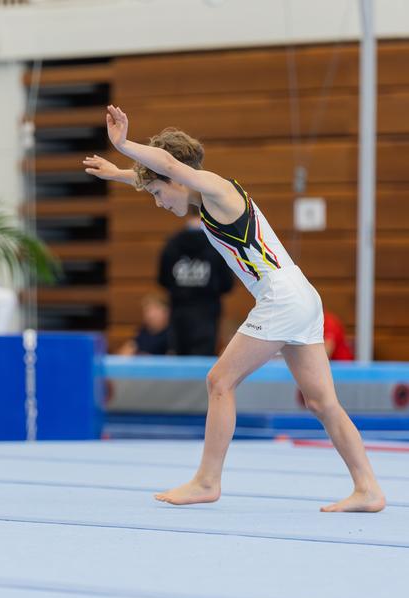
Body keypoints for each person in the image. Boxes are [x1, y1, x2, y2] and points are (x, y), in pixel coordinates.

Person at [83, 105, 385, 513]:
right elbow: (164, 174)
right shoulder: (205, 201)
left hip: (282, 296)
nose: (156, 202)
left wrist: (123, 144)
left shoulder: (219, 190)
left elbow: (169, 166)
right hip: (300, 296)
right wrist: (118, 173)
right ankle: (368, 488)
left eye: (156, 192)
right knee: (321, 403)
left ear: (175, 177)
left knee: (219, 381)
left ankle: (207, 481)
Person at [158, 205, 234, 355]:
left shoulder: (172, 244)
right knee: (203, 364)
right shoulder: (217, 244)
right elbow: (227, 284)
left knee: (181, 364)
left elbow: (163, 279)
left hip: (180, 312)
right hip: (207, 312)